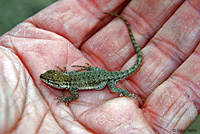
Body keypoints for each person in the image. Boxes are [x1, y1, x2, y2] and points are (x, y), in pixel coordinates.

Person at [0, 0, 199, 133]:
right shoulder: (69, 79)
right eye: (50, 78)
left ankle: (124, 92)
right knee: (101, 74)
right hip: (99, 73)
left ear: (60, 84)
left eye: (50, 79)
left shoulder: (71, 87)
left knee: (112, 88)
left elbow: (75, 97)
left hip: (107, 78)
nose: (46, 80)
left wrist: (65, 99)